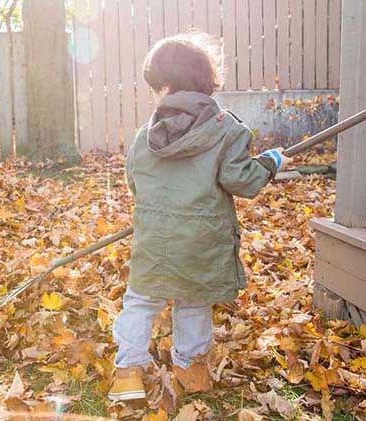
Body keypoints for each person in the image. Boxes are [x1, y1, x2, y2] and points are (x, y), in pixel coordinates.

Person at [108, 32, 290, 402]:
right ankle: (191, 370)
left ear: (169, 86)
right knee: (193, 301)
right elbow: (241, 180)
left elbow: (134, 180)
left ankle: (127, 372)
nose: (157, 95)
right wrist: (270, 163)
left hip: (155, 239)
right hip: (201, 242)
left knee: (141, 301)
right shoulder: (227, 130)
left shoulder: (147, 135)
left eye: (157, 86)